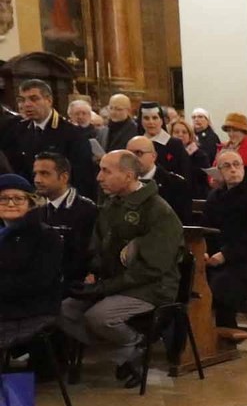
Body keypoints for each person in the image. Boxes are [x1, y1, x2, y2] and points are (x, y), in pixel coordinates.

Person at [59, 151, 183, 388]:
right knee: (63, 311)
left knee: (99, 317)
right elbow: (98, 246)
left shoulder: (158, 211)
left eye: (106, 171)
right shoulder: (112, 205)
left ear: (128, 176)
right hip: (116, 282)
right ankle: (129, 351)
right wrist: (93, 274)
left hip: (152, 287)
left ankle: (135, 344)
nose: (98, 177)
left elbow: (152, 269)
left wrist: (104, 288)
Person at [202, 150, 247, 329]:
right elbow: (207, 230)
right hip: (216, 258)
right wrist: (205, 253)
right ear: (219, 171)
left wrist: (225, 255)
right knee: (189, 280)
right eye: (227, 166)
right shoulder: (215, 197)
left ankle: (226, 333)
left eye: (237, 164)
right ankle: (198, 336)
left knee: (222, 284)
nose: (233, 169)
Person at [1, 78, 95, 200]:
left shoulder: (72, 133)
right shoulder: (17, 130)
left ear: (49, 100)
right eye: (22, 100)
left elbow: (82, 178)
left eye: (34, 99)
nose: (27, 104)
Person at [0, 174, 63, 348]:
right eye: (3, 198)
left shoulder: (46, 236)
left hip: (29, 309)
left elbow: (38, 281)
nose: (11, 204)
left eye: (18, 199)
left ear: (31, 203)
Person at [33, 152, 96, 288]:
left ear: (63, 177)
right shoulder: (36, 210)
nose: (37, 179)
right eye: (36, 173)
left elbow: (84, 257)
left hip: (71, 287)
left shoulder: (86, 210)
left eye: (44, 174)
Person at [127, 136, 193, 227]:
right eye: (129, 155)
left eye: (139, 153)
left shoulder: (175, 184)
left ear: (154, 156)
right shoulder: (123, 182)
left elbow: (180, 223)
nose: (133, 159)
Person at [138, 102, 190, 182]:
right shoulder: (136, 144)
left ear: (161, 121)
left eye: (155, 118)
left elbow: (185, 175)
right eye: (146, 118)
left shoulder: (175, 144)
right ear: (141, 121)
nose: (151, 122)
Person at [170, 119, 213, 199]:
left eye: (184, 132)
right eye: (176, 132)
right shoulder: (168, 154)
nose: (180, 135)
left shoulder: (200, 156)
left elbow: (203, 180)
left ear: (190, 136)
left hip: (195, 197)